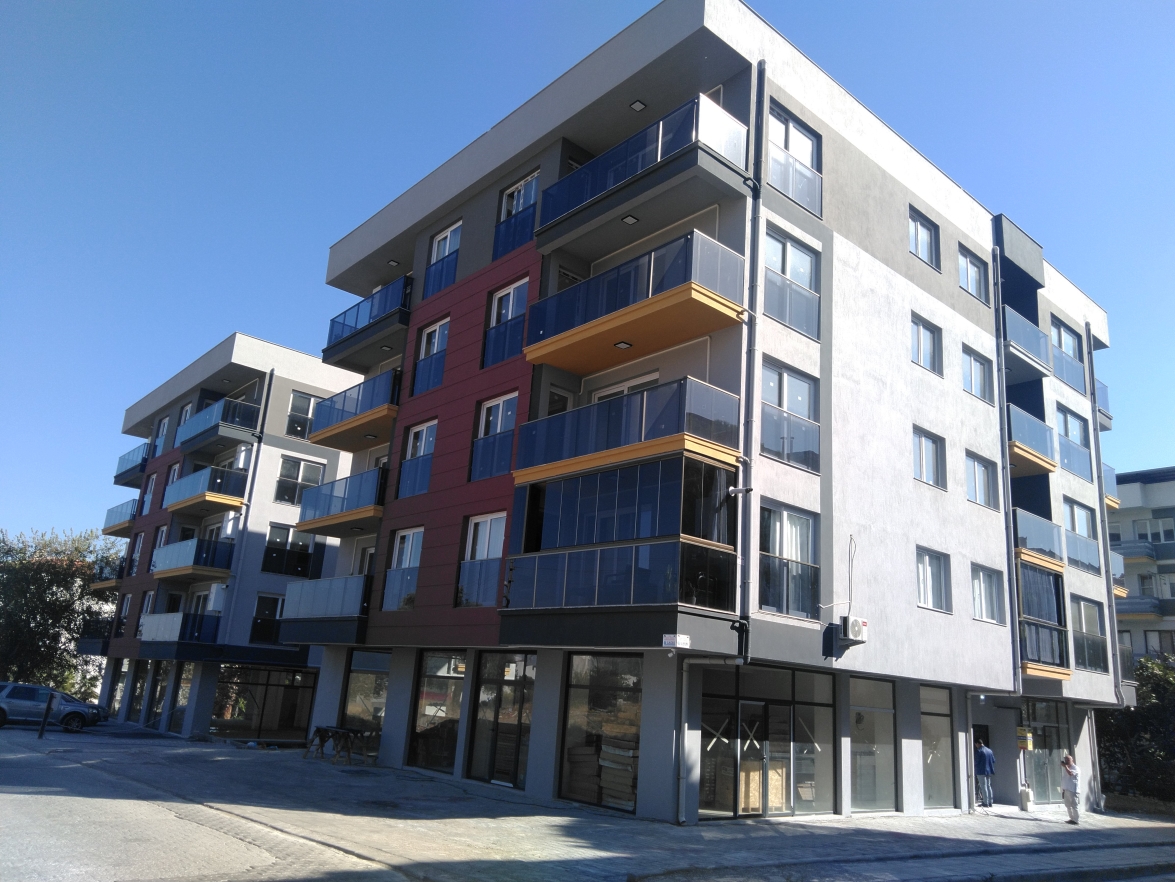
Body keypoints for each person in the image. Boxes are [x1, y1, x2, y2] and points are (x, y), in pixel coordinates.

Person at [974, 738, 996, 808]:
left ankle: (985, 802)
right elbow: (993, 760)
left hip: (981, 771)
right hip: (989, 771)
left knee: (983, 786)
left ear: (977, 743)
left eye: (975, 744)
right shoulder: (989, 751)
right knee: (988, 786)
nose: (976, 746)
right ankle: (990, 802)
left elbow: (976, 762)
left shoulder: (979, 751)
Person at [1061, 754, 1080, 824]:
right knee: (1067, 805)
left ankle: (1076, 820)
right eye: (1065, 760)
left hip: (1073, 790)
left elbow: (1070, 774)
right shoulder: (1066, 768)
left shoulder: (1075, 768)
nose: (1066, 761)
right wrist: (1063, 789)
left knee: (1074, 805)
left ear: (1072, 760)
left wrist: (1065, 766)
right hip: (1066, 789)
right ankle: (1072, 818)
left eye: (1068, 760)